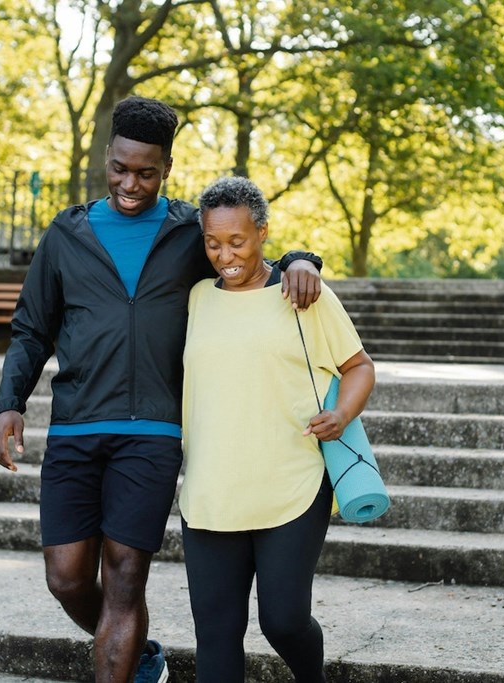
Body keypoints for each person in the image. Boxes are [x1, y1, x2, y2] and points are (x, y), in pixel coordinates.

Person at [0, 96, 323, 683]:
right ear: (107, 157)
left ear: (166, 167)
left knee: (123, 579)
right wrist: (8, 402)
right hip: (76, 425)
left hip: (153, 434)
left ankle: (127, 664)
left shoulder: (187, 232)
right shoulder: (67, 233)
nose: (129, 183)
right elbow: (31, 328)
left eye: (145, 172)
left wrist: (302, 258)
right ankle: (142, 656)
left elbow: (245, 255)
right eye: (119, 168)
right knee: (66, 578)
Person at [179, 176, 375, 683]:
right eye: (213, 242)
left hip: (293, 483)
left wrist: (342, 414)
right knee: (216, 635)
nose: (225, 254)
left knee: (283, 621)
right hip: (211, 491)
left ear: (262, 232)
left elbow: (358, 366)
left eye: (237, 241)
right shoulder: (195, 298)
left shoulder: (301, 291)